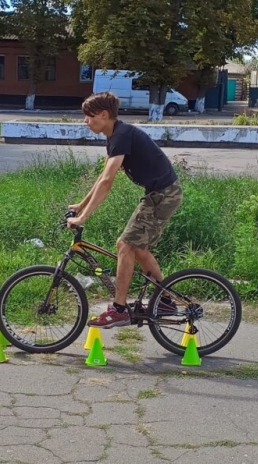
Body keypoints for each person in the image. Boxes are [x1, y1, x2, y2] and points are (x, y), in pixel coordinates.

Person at [67, 91, 182, 329]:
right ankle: (167, 301)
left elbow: (108, 181)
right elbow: (102, 177)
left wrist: (84, 217)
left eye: (88, 116)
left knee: (126, 245)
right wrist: (81, 204)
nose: (85, 121)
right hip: (158, 193)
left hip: (164, 194)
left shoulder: (121, 135)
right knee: (135, 248)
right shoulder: (115, 136)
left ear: (104, 114)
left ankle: (119, 309)